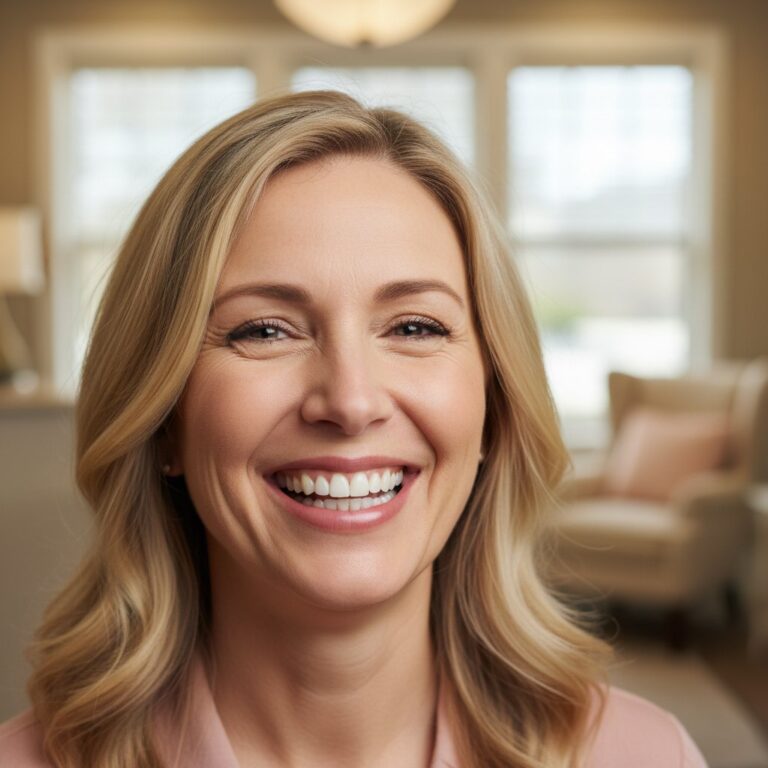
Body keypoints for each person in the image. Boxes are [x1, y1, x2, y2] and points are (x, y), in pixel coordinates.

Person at [0, 90, 706, 768]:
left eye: (415, 326)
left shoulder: (648, 758)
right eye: (264, 330)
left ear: (492, 406)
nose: (351, 399)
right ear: (164, 426)